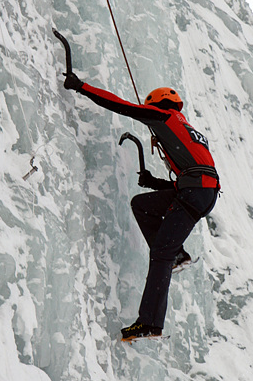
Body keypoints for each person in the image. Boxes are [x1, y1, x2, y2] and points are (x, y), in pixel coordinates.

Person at [63, 71, 220, 341]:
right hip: (200, 191)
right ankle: (178, 255)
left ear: (156, 105)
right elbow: (196, 175)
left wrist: (82, 87)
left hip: (196, 191)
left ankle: (149, 322)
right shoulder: (188, 130)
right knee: (143, 205)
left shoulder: (166, 117)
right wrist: (156, 181)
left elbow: (121, 106)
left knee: (161, 254)